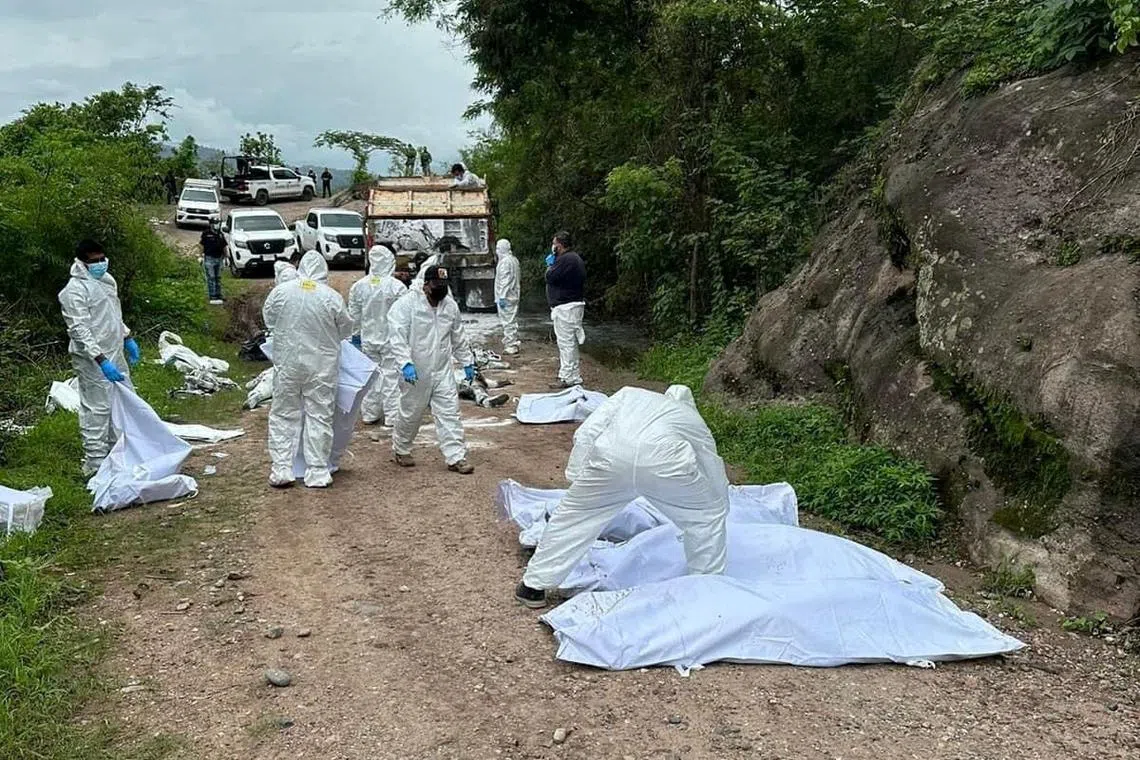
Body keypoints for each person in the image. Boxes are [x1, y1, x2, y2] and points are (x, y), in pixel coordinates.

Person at [515, 385, 729, 608]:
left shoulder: (629, 394)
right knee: (705, 519)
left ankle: (532, 587)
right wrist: (718, 504)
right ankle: (706, 590)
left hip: (611, 458)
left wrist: (577, 478)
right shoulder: (690, 418)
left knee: (573, 518)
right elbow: (709, 461)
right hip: (665, 466)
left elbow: (588, 431)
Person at [262, 251, 352, 488]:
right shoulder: (331, 297)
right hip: (321, 367)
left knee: (283, 414)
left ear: (300, 267)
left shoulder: (281, 292)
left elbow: (269, 320)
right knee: (319, 415)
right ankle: (318, 471)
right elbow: (345, 329)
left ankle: (282, 469)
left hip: (288, 363)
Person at [58, 239, 141, 476]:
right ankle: (95, 465)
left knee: (124, 402)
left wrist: (126, 337)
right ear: (82, 262)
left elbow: (112, 315)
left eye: (102, 259)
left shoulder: (106, 281)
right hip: (91, 360)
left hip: (114, 352)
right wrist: (100, 359)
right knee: (97, 409)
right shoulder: (73, 292)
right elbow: (79, 329)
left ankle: (120, 454)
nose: (100, 264)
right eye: (94, 261)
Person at [387, 265, 476, 474]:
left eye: (444, 286)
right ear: (426, 285)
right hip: (415, 371)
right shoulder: (407, 305)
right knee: (411, 413)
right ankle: (401, 448)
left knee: (449, 412)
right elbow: (397, 336)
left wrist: (467, 361)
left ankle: (456, 457)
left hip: (442, 369)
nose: (440, 290)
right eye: (437, 285)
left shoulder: (449, 307)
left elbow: (458, 337)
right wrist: (405, 363)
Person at [347, 245, 408, 425]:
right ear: (390, 261)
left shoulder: (359, 287)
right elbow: (404, 316)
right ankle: (392, 415)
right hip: (391, 339)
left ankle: (369, 413)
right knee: (391, 376)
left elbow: (354, 314)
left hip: (368, 339)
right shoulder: (397, 287)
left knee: (370, 377)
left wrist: (355, 336)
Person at [545, 230, 586, 388]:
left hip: (566, 307)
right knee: (570, 342)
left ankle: (568, 377)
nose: (553, 247)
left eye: (554, 244)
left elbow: (550, 277)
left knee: (566, 343)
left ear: (559, 245)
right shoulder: (573, 258)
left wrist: (551, 264)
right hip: (571, 305)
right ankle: (571, 375)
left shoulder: (566, 259)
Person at [494, 238, 521, 355]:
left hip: (507, 296)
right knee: (511, 319)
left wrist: (502, 297)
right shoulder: (513, 260)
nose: (496, 251)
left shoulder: (505, 262)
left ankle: (511, 344)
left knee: (508, 321)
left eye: (498, 248)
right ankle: (510, 342)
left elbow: (505, 281)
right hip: (513, 294)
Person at [200, 220, 227, 305]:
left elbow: (224, 246)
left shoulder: (220, 234)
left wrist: (227, 257)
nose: (217, 225)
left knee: (218, 277)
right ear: (211, 224)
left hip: (219, 258)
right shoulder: (206, 234)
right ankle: (212, 295)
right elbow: (201, 245)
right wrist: (200, 256)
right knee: (211, 277)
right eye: (215, 223)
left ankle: (219, 294)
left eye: (218, 223)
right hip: (209, 258)